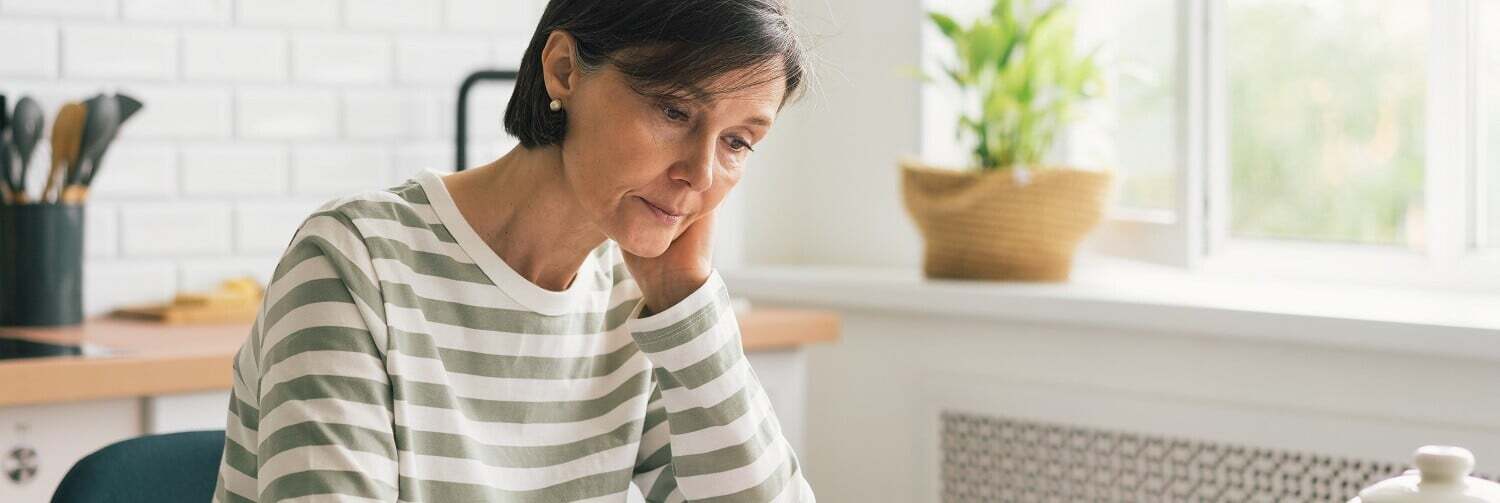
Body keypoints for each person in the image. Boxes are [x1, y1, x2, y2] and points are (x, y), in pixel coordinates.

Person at [210, 0, 812, 501]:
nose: (701, 173)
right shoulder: (354, 263)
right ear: (564, 70)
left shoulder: (644, 306)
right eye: (675, 110)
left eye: (737, 141)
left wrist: (687, 305)